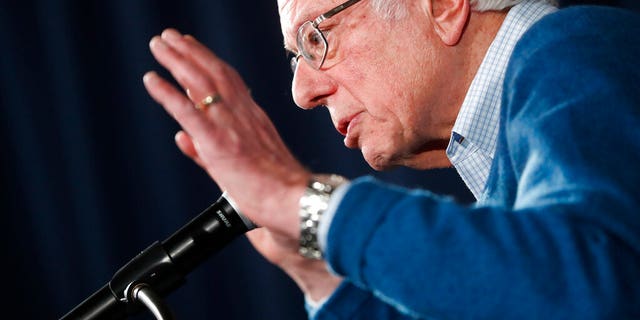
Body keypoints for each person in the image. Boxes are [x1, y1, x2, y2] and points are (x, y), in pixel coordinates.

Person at [142, 0, 640, 318]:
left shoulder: (578, 46)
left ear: (444, 6)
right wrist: (316, 268)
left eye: (317, 36)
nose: (301, 92)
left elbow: (590, 297)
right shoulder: (508, 179)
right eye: (296, 56)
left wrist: (303, 200)